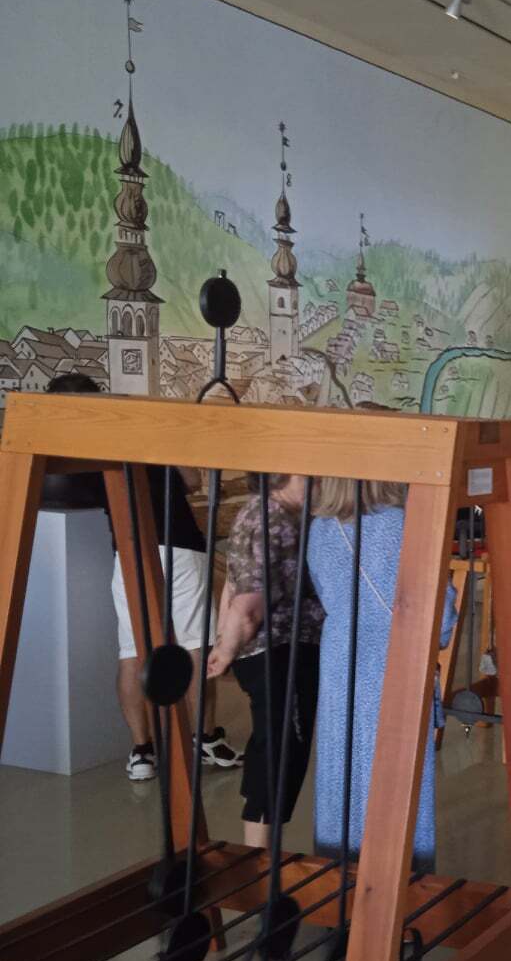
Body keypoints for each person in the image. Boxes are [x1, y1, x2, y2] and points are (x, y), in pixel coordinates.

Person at [44, 371, 239, 781]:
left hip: (129, 546)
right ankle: (204, 739)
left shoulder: (70, 442)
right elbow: (191, 480)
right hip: (179, 542)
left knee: (132, 650)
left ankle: (142, 751)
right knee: (195, 646)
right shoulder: (140, 426)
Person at [308, 479, 457, 873]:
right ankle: (399, 885)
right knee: (397, 779)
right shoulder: (404, 525)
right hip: (395, 659)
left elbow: (323, 591)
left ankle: (339, 882)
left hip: (340, 658)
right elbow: (439, 617)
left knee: (341, 773)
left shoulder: (321, 527)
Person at [207, 474, 323, 850]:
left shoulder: (284, 514)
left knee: (273, 747)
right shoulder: (268, 519)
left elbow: (234, 583)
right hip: (278, 650)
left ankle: (259, 854)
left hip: (285, 648)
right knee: (281, 753)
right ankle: (260, 859)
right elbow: (248, 604)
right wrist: (226, 648)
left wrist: (224, 640)